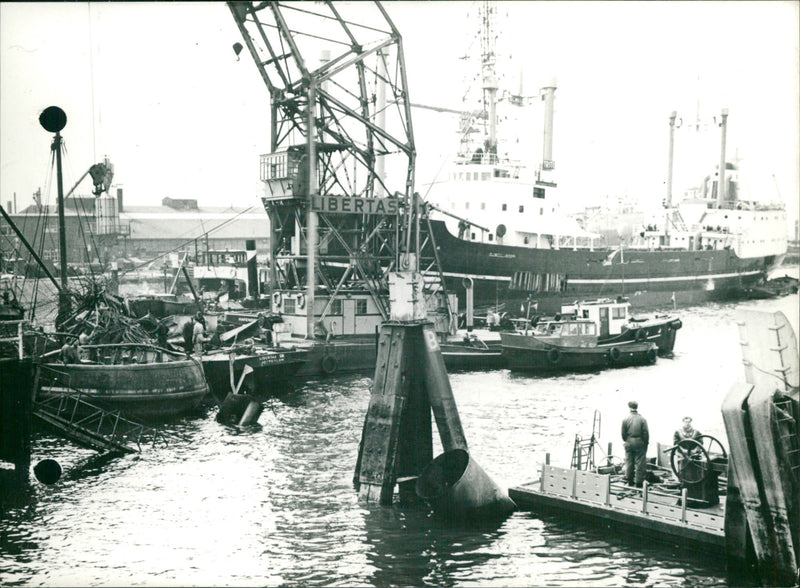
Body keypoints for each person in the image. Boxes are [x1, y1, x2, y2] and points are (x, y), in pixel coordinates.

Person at [621, 400, 649, 487]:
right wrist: (645, 443)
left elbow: (623, 433)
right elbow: (646, 433)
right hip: (639, 442)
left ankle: (629, 481)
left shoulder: (625, 419)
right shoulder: (642, 419)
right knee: (640, 462)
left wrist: (627, 440)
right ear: (637, 408)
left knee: (629, 462)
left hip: (629, 442)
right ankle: (639, 483)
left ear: (629, 408)